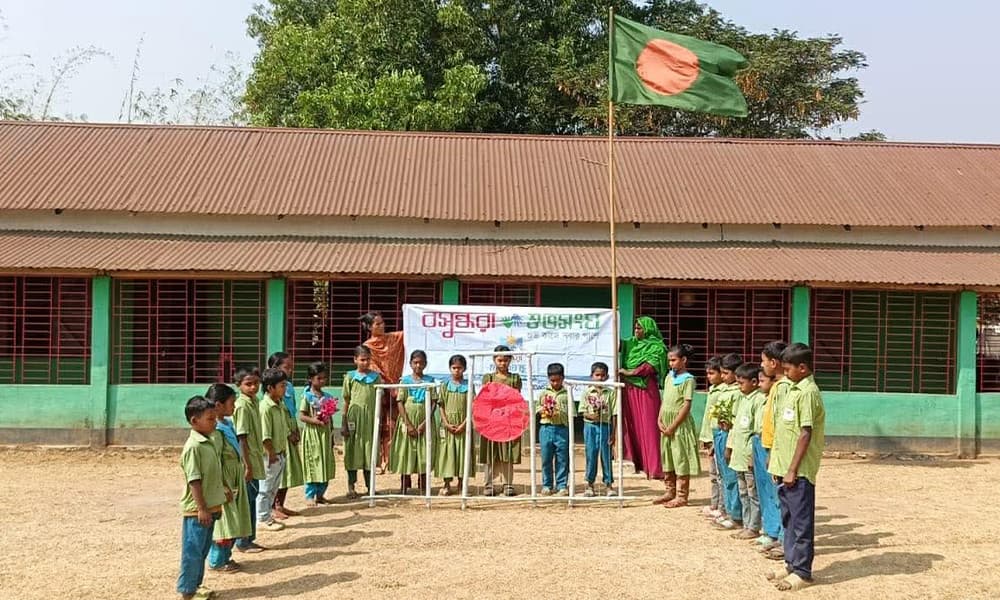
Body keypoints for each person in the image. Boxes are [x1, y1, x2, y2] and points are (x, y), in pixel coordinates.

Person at [766, 343, 825, 592]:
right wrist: (777, 463)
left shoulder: (808, 392)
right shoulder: (791, 388)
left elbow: (804, 433)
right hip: (784, 465)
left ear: (802, 368)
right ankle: (790, 564)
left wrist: (791, 469)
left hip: (798, 471)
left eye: (788, 368)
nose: (785, 372)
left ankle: (802, 571)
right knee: (788, 519)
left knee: (801, 523)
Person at [176, 395, 225, 600]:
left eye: (214, 418)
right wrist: (202, 508)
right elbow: (194, 480)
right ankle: (187, 592)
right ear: (195, 421)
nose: (214, 422)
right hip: (197, 510)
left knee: (202, 550)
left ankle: (196, 586)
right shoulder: (193, 447)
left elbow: (212, 472)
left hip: (211, 506)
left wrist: (223, 492)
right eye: (210, 419)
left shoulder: (209, 441)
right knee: (192, 551)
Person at [205, 384, 250, 574]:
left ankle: (226, 556)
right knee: (224, 522)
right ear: (218, 405)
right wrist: (222, 485)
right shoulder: (216, 432)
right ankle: (217, 560)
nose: (235, 406)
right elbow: (214, 461)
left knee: (233, 520)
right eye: (232, 403)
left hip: (234, 478)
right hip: (225, 481)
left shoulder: (227, 425)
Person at [618, 316, 667, 480]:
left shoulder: (657, 347)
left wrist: (628, 372)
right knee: (632, 425)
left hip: (646, 390)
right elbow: (615, 343)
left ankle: (654, 467)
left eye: (640, 328)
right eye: (635, 328)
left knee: (649, 426)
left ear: (648, 329)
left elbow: (649, 367)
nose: (636, 331)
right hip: (630, 390)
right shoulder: (630, 343)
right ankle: (638, 463)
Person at [656, 344, 702, 508]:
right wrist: (660, 418)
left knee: (680, 457)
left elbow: (686, 405)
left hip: (679, 425)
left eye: (674, 360)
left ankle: (682, 495)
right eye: (669, 360)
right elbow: (665, 400)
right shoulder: (669, 377)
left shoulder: (688, 380)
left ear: (684, 360)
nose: (671, 364)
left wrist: (674, 425)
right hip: (666, 422)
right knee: (667, 455)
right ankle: (670, 490)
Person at [359, 311, 405, 474]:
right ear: (370, 327)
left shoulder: (394, 338)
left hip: (397, 388)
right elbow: (372, 367)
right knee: (380, 426)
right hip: (380, 389)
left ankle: (393, 458)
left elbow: (411, 334)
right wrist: (386, 384)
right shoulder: (368, 346)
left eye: (382, 322)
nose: (381, 326)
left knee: (394, 424)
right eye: (377, 324)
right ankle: (381, 460)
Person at [757, 341, 791, 556]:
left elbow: (783, 422)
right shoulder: (777, 386)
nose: (762, 365)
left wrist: (773, 451)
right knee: (769, 492)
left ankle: (784, 540)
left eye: (763, 361)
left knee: (782, 497)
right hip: (766, 443)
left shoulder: (785, 387)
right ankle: (774, 533)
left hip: (778, 448)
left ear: (773, 362)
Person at [726, 363, 764, 541]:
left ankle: (754, 526)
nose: (739, 386)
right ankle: (746, 522)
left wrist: (751, 456)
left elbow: (756, 432)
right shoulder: (742, 398)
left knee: (752, 493)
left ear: (754, 382)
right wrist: (729, 447)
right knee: (743, 492)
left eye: (742, 383)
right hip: (738, 456)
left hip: (748, 457)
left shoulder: (758, 400)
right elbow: (735, 427)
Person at [478, 345, 523, 497]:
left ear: (510, 360)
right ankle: (489, 483)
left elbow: (516, 398)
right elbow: (485, 398)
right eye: (500, 360)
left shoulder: (515, 378)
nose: (502, 363)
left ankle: (508, 483)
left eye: (506, 360)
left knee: (507, 451)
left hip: (508, 420)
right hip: (491, 420)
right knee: (491, 451)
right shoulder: (488, 378)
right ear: (494, 360)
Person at [391, 350, 436, 494]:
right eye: (415, 362)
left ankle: (423, 484)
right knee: (406, 451)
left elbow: (434, 402)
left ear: (425, 364)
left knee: (424, 452)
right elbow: (400, 402)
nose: (418, 366)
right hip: (408, 420)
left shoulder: (430, 381)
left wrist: (425, 423)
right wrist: (408, 424)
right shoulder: (405, 381)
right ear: (410, 364)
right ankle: (405, 484)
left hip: (425, 421)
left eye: (421, 363)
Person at [232, 366, 266, 554]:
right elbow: (241, 437)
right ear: (239, 385)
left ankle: (249, 537)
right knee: (246, 501)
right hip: (248, 460)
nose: (253, 387)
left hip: (255, 457)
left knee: (252, 498)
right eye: (248, 384)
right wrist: (247, 465)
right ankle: (243, 540)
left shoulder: (254, 402)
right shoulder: (242, 406)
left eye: (255, 383)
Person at [342, 345, 382, 499]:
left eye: (367, 360)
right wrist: (344, 422)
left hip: (371, 418)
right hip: (354, 418)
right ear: (355, 360)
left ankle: (370, 486)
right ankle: (351, 486)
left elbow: (380, 399)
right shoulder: (350, 377)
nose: (365, 363)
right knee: (353, 450)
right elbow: (346, 400)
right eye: (362, 360)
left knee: (369, 451)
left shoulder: (376, 377)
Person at [267, 352, 302, 521]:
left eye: (291, 368)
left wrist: (295, 429)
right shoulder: (271, 389)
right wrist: (287, 432)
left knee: (288, 469)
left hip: (291, 425)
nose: (289, 370)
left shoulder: (290, 387)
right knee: (277, 470)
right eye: (286, 367)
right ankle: (273, 506)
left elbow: (292, 410)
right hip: (281, 430)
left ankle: (281, 503)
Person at [712, 353, 745, 530]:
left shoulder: (738, 393)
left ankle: (736, 515)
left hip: (729, 435)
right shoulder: (724, 389)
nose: (723, 377)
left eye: (726, 373)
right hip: (719, 433)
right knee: (723, 476)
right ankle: (726, 509)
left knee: (732, 477)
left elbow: (737, 419)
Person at [299, 361, 337, 507]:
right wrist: (315, 421)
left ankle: (321, 495)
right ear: (310, 379)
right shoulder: (307, 396)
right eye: (318, 378)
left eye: (324, 378)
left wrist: (332, 434)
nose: (322, 381)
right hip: (313, 435)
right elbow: (302, 416)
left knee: (325, 463)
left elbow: (331, 417)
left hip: (325, 435)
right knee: (313, 463)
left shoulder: (327, 396)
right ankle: (310, 495)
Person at [257, 367, 290, 532]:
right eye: (282, 385)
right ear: (270, 388)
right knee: (265, 488)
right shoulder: (265, 408)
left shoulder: (279, 404)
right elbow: (265, 435)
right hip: (270, 455)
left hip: (279, 452)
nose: (285, 388)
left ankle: (267, 514)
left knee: (273, 487)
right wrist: (271, 454)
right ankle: (262, 518)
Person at [436, 354, 473, 496]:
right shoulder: (445, 385)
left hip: (463, 425)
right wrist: (445, 422)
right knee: (447, 454)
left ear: (464, 369)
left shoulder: (468, 386)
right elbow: (441, 405)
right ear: (450, 368)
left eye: (459, 368)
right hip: (447, 425)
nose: (457, 371)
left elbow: (472, 406)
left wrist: (464, 424)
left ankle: (461, 485)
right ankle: (446, 484)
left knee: (463, 453)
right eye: (454, 368)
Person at [579, 361, 617, 497]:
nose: (600, 378)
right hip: (590, 426)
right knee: (591, 454)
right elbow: (582, 411)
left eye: (602, 375)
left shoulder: (611, 393)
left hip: (605, 426)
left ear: (606, 377)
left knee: (606, 455)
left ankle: (608, 484)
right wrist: (593, 415)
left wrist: (613, 433)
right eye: (597, 375)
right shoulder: (587, 392)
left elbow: (614, 413)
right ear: (592, 376)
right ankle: (589, 484)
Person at [753, 367, 780, 549]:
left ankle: (777, 532)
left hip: (770, 445)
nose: (759, 384)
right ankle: (769, 530)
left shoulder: (776, 398)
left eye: (763, 381)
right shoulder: (759, 399)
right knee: (763, 489)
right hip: (757, 441)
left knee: (774, 491)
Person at [537, 363, 570, 496]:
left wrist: (559, 413)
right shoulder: (544, 393)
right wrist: (544, 411)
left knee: (562, 458)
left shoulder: (567, 394)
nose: (555, 383)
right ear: (548, 379)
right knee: (546, 458)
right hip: (546, 428)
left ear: (563, 378)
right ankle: (547, 485)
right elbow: (537, 408)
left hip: (562, 429)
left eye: (558, 380)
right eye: (552, 380)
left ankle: (562, 485)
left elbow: (571, 413)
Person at [699, 356, 725, 519]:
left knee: (721, 475)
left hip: (718, 437)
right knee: (713, 475)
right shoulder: (713, 390)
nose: (709, 376)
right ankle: (715, 503)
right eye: (707, 373)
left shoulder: (723, 391)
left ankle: (722, 506)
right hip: (709, 436)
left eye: (712, 373)